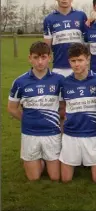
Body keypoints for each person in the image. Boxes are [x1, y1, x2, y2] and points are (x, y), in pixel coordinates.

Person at [7, 41, 64, 181]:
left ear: (49, 58)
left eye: (44, 57)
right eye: (36, 57)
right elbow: (12, 108)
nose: (40, 62)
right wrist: (28, 119)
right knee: (34, 178)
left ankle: (43, 159)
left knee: (55, 177)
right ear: (29, 58)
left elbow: (63, 107)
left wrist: (59, 123)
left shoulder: (59, 80)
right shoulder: (20, 82)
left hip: (52, 133)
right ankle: (37, 160)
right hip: (30, 134)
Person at [58, 43, 96, 183]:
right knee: (65, 180)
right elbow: (61, 107)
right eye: (73, 61)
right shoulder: (64, 83)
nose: (76, 64)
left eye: (80, 60)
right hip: (71, 135)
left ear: (88, 59)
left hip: (93, 135)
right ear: (69, 61)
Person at [43, 0, 87, 77]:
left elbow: (87, 42)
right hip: (59, 68)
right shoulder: (49, 19)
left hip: (79, 67)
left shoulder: (81, 16)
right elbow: (47, 48)